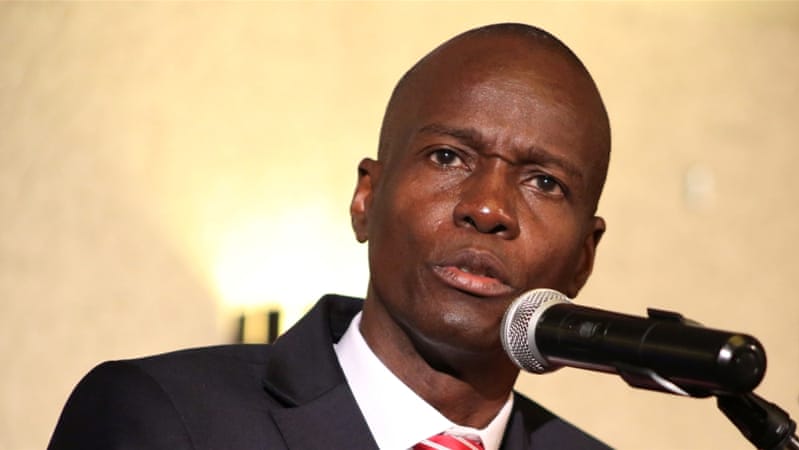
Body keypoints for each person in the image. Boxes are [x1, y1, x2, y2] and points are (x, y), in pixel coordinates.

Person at [49, 23, 611, 450]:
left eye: (544, 182)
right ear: (367, 198)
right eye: (447, 157)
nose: (488, 208)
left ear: (583, 259)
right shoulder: (167, 418)